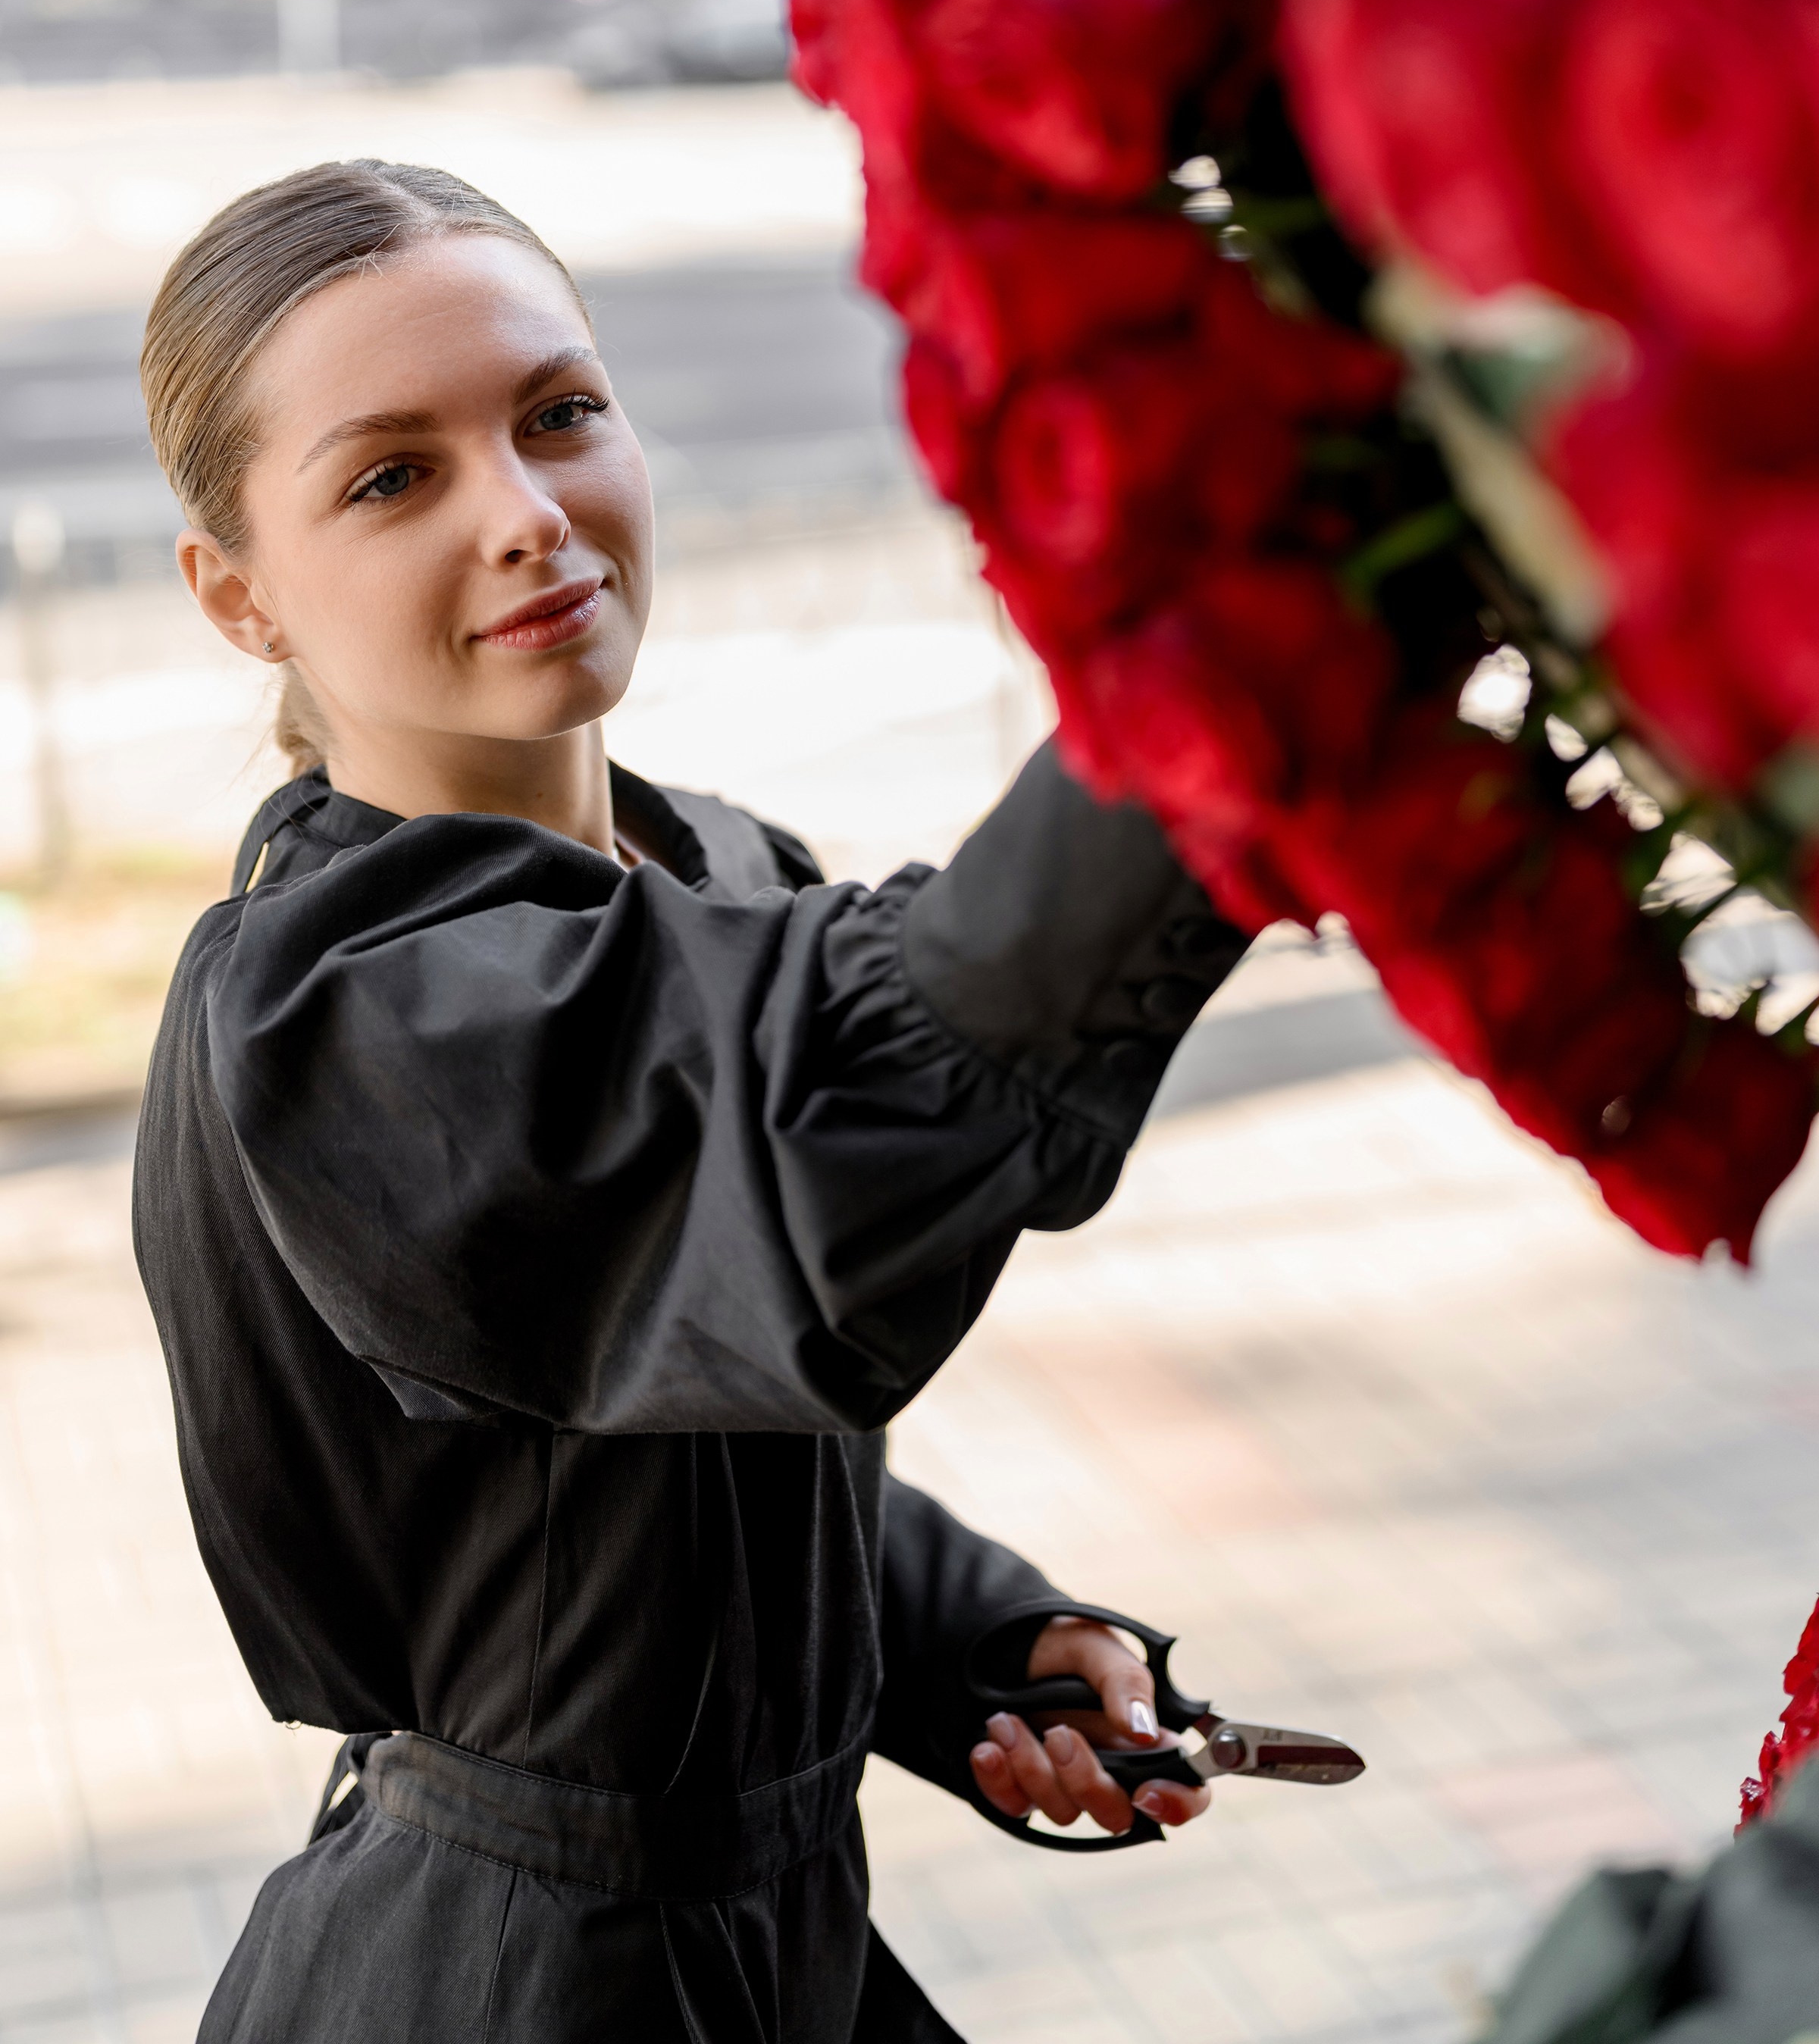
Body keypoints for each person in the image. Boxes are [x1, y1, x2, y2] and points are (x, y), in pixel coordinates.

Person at [133, 159, 1248, 2044]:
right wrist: (1244, 675)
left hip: (785, 1945)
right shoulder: (338, 1011)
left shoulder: (724, 865)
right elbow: (843, 1136)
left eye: (560, 414)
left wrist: (982, 1639)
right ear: (239, 595)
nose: (527, 514)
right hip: (527, 1986)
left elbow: (681, 1462)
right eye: (394, 475)